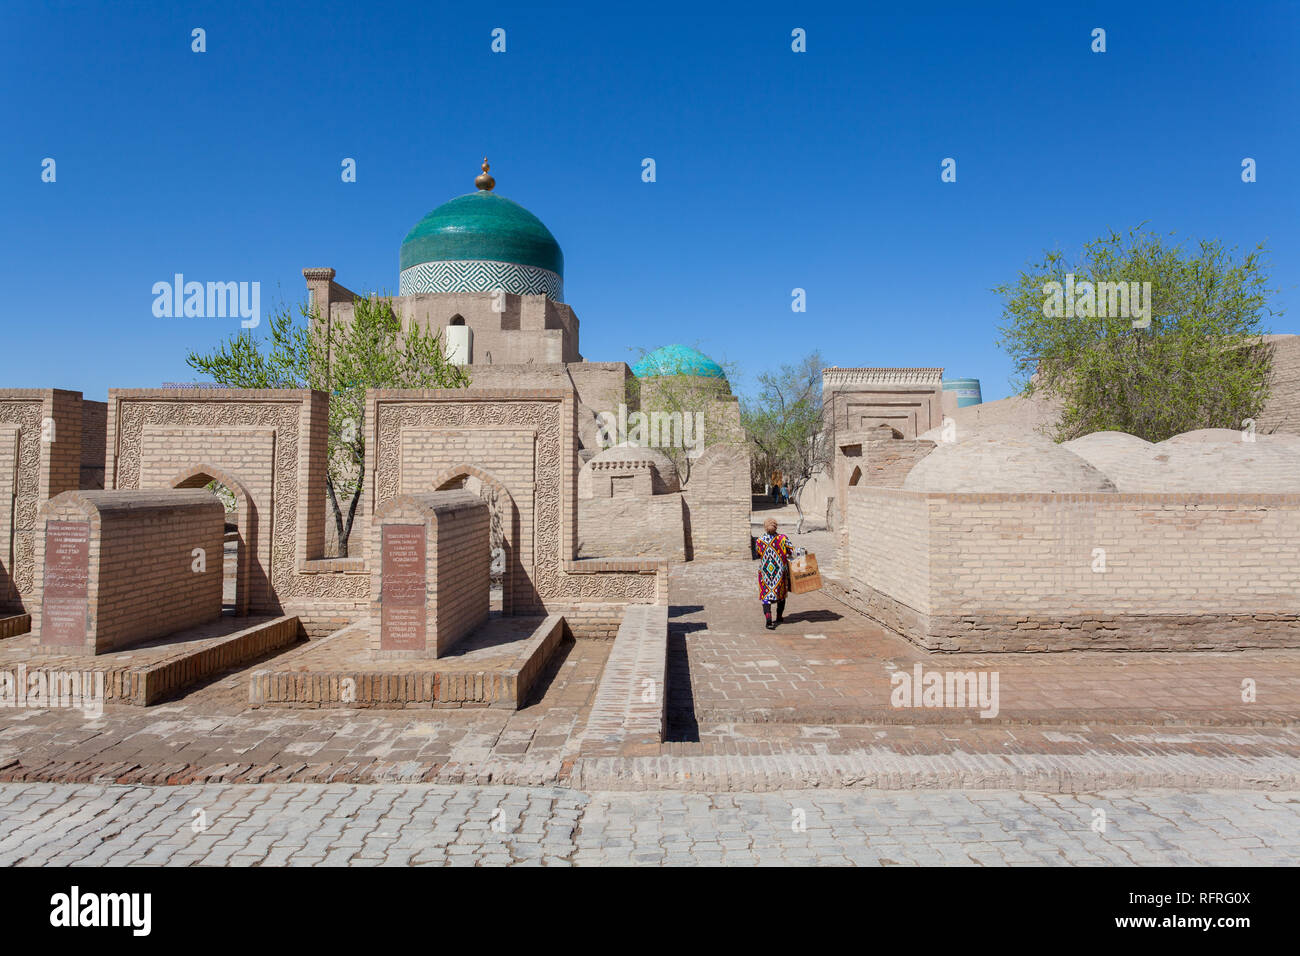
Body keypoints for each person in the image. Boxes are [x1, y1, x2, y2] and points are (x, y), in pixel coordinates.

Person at [755, 516, 792, 629]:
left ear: (765, 527)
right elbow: (791, 551)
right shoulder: (783, 538)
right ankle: (779, 616)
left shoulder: (759, 540)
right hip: (780, 573)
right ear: (776, 526)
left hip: (765, 574)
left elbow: (758, 554)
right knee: (781, 595)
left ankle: (768, 620)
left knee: (766, 596)